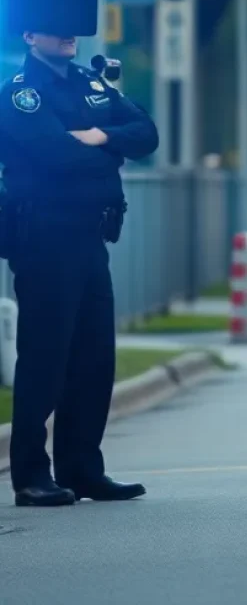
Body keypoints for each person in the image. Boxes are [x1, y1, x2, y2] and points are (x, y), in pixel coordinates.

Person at [0, 32, 158, 507]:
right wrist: (110, 149)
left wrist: (102, 136)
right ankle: (30, 474)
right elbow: (56, 156)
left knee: (93, 358)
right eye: (56, 26)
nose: (69, 34)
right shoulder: (20, 92)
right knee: (46, 357)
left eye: (72, 25)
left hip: (91, 238)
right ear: (31, 36)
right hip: (45, 239)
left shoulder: (93, 83)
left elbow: (146, 134)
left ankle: (82, 468)